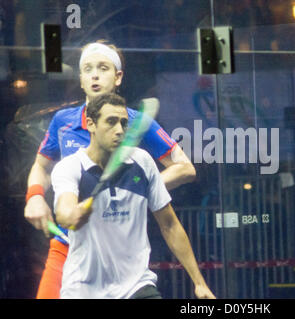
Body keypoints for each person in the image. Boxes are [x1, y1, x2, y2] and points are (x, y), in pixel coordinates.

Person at [24, 40, 196, 298]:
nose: (94, 75)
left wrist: (141, 185)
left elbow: (184, 167)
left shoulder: (137, 123)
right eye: (88, 69)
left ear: (118, 77)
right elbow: (41, 166)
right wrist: (35, 196)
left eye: (103, 68)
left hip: (118, 255)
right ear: (81, 79)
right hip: (67, 246)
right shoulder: (63, 122)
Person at [52, 93, 214, 299]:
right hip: (84, 289)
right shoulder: (70, 167)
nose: (119, 130)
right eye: (111, 122)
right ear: (91, 124)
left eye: (123, 123)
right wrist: (72, 215)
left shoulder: (142, 162)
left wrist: (199, 283)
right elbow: (64, 211)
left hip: (137, 286)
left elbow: (170, 225)